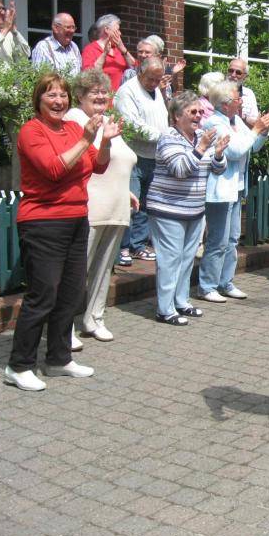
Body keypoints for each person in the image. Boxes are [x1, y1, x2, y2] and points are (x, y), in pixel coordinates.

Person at [3, 73, 118, 391]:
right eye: (51, 95)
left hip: (76, 219)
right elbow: (54, 169)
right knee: (43, 295)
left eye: (63, 95)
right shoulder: (31, 131)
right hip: (42, 222)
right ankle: (18, 365)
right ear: (38, 100)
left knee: (70, 293)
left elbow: (98, 165)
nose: (59, 101)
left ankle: (58, 359)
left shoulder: (72, 128)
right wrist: (86, 140)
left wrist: (105, 140)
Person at [64, 69, 138, 342]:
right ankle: (64, 327)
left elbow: (115, 159)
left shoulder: (108, 120)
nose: (100, 96)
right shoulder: (74, 119)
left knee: (104, 266)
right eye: (93, 92)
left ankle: (94, 318)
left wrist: (126, 190)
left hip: (116, 204)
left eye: (104, 92)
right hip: (90, 205)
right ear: (80, 95)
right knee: (77, 270)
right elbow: (80, 161)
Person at [146, 91, 229, 325]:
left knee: (187, 259)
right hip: (167, 210)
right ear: (176, 116)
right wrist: (201, 148)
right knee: (170, 260)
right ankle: (165, 309)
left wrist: (218, 155)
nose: (198, 116)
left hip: (194, 210)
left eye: (200, 111)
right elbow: (180, 169)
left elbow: (217, 170)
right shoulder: (169, 137)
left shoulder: (201, 136)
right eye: (193, 112)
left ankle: (181, 302)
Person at [197, 81, 269, 302]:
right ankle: (207, 286)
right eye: (238, 98)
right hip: (220, 190)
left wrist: (263, 131)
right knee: (218, 240)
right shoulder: (214, 123)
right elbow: (234, 151)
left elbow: (252, 146)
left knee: (233, 239)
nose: (241, 102)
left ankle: (226, 283)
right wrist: (256, 129)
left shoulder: (235, 121)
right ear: (226, 104)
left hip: (236, 188)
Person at [114, 57, 169, 264]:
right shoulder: (127, 91)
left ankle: (138, 245)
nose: (154, 83)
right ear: (140, 72)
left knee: (145, 204)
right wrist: (163, 136)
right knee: (131, 203)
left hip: (152, 156)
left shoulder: (156, 91)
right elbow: (132, 124)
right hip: (133, 155)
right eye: (150, 79)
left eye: (158, 79)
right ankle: (123, 247)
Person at [81, 14, 136, 91]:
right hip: (103, 96)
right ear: (106, 29)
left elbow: (135, 69)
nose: (120, 33)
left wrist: (123, 49)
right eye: (117, 30)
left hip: (121, 96)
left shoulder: (118, 50)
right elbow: (89, 76)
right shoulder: (90, 49)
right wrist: (104, 54)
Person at [226, 57, 259, 127]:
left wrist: (243, 117)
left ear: (245, 77)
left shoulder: (249, 94)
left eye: (238, 72)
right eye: (231, 71)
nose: (233, 75)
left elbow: (255, 122)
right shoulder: (217, 91)